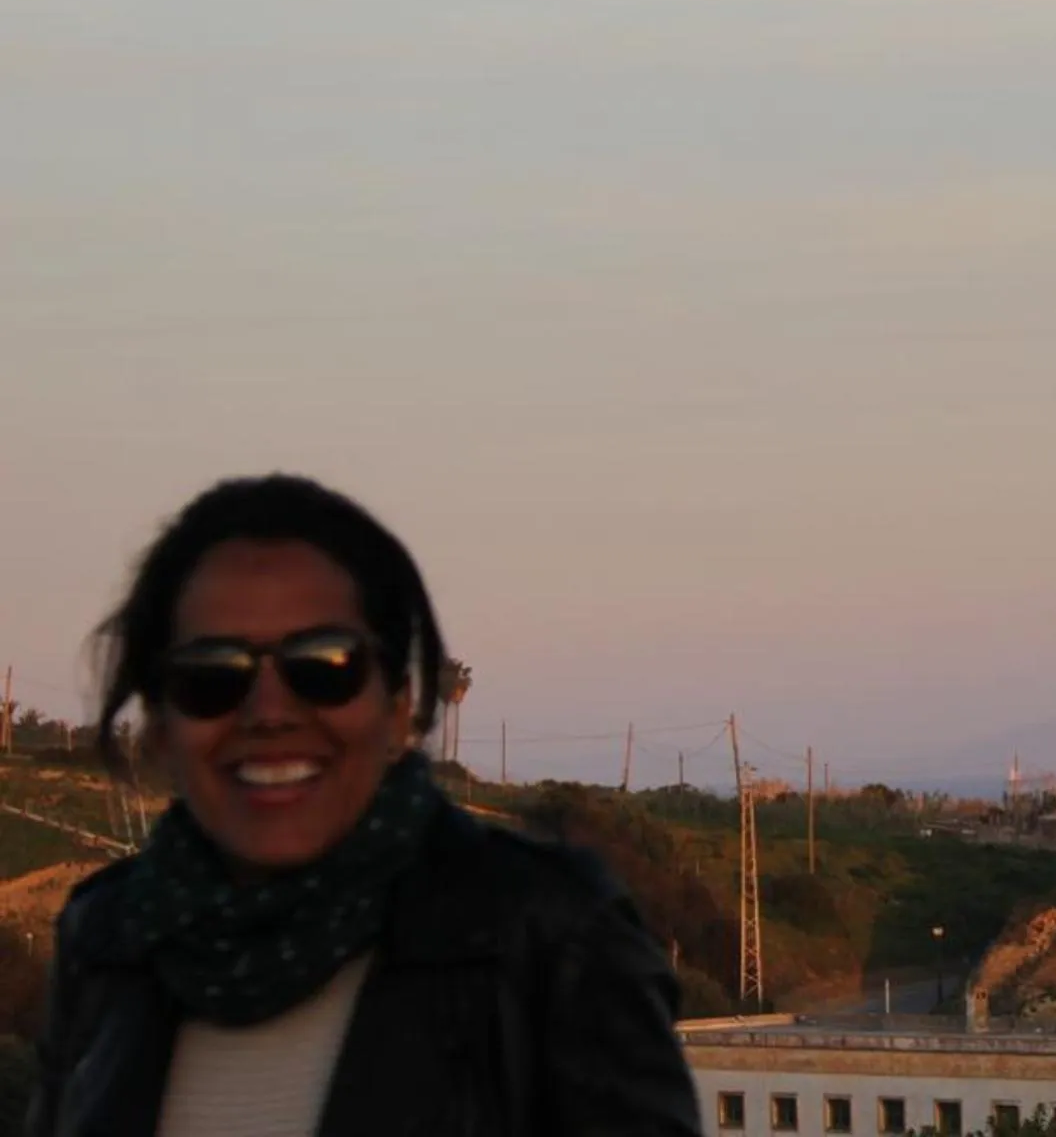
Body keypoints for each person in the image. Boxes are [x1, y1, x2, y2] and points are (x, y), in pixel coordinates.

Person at [29, 474, 703, 1136]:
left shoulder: (548, 938)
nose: (268, 712)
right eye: (213, 675)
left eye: (324, 666)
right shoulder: (108, 937)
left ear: (399, 704)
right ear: (159, 723)